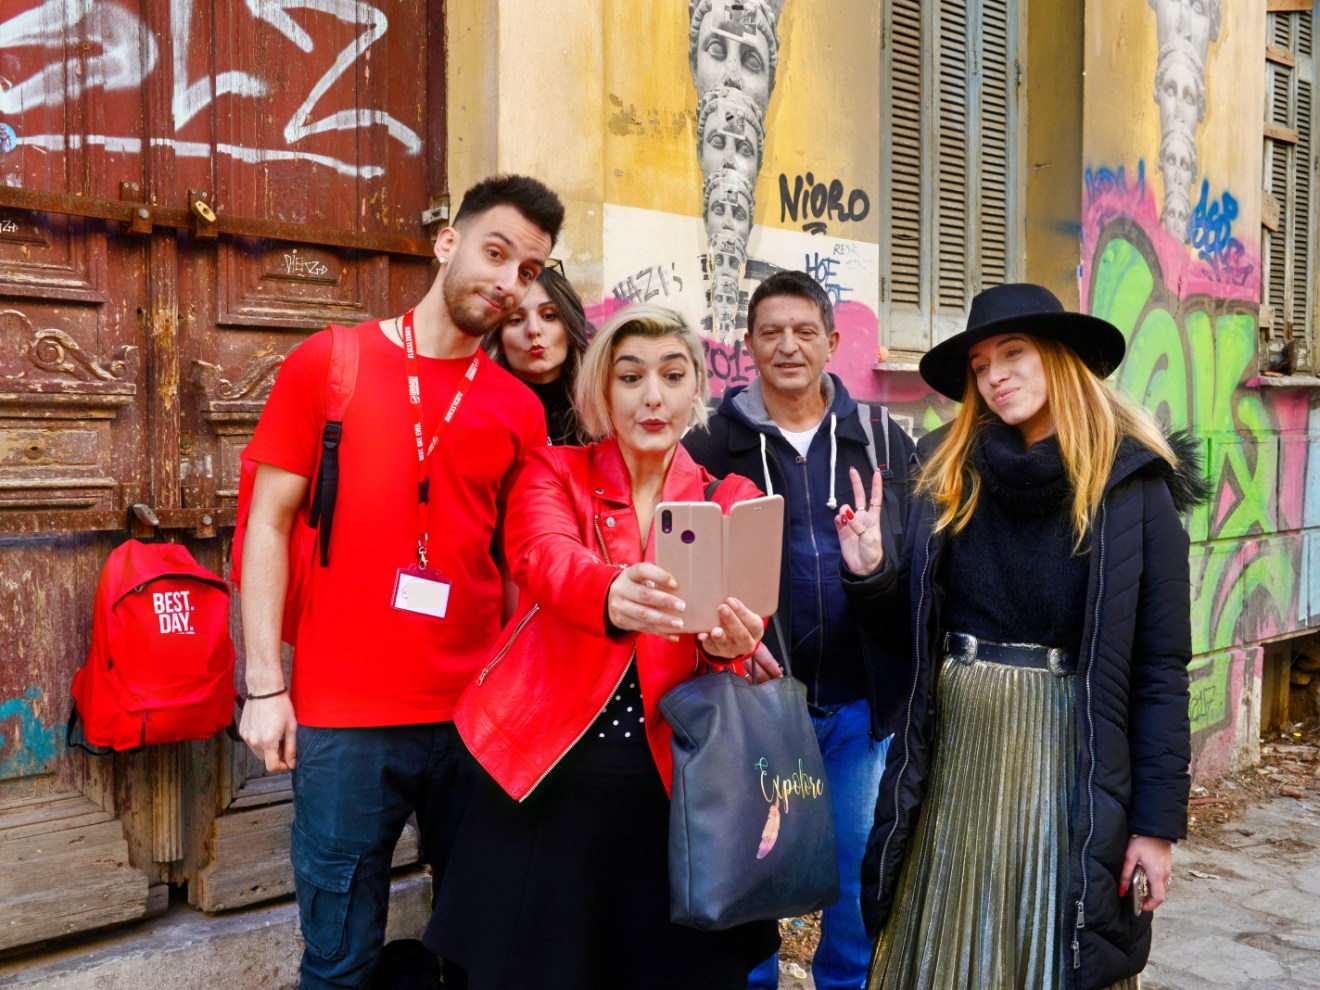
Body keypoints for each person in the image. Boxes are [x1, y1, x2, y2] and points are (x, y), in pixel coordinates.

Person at [237, 174, 564, 990]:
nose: (508, 282)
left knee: (473, 953)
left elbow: (525, 565)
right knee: (340, 958)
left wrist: (526, 705)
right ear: (445, 242)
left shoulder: (517, 410)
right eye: (496, 252)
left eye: (529, 271)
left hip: (475, 722)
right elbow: (265, 524)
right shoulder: (330, 362)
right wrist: (264, 685)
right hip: (345, 720)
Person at [859, 283, 1205, 990]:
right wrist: (870, 575)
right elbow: (907, 646)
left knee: (1046, 954)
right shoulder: (945, 472)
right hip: (954, 763)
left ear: (1061, 359)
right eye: (981, 364)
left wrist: (1155, 827)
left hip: (1064, 766)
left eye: (1013, 354)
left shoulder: (1134, 487)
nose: (994, 376)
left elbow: (1160, 670)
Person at [430, 305, 779, 990]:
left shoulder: (732, 497)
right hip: (546, 781)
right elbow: (540, 554)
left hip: (677, 794)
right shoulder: (552, 473)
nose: (653, 396)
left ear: (695, 391)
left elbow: (740, 630)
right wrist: (609, 591)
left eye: (672, 375)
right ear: (601, 393)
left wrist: (738, 644)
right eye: (631, 376)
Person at [683, 270, 918, 990]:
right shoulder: (709, 444)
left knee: (850, 887)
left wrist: (874, 570)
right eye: (771, 332)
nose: (788, 346)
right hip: (755, 708)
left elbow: (909, 580)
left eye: (804, 330)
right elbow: (690, 572)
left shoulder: (882, 440)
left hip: (852, 706)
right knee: (753, 884)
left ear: (833, 341)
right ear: (747, 344)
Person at [484, 265, 591, 445]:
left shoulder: (606, 409)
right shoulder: (484, 416)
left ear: (570, 331)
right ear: (499, 339)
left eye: (549, 316)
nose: (533, 330)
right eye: (516, 320)